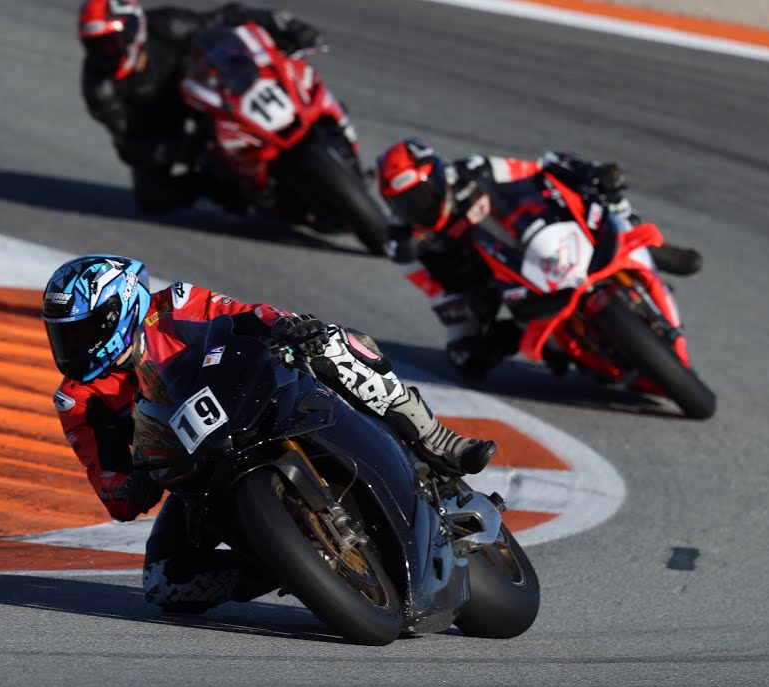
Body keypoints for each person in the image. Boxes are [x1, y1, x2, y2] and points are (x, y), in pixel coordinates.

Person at [42, 254, 495, 613]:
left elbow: (249, 315)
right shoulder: (79, 399)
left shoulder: (174, 304)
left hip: (262, 404)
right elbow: (114, 493)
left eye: (82, 332)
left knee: (333, 342)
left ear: (121, 311)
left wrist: (286, 326)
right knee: (165, 585)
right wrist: (140, 475)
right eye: (62, 336)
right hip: (197, 473)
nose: (72, 348)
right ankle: (288, 564)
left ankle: (432, 437)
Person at [375, 137, 704, 380]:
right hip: (484, 283)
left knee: (585, 178)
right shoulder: (401, 241)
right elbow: (436, 292)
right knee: (466, 359)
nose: (419, 207)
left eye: (422, 195)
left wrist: (588, 174)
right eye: (406, 204)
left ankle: (650, 246)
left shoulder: (471, 170)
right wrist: (466, 305)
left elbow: (537, 171)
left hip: (534, 242)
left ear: (436, 175)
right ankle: (533, 336)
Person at [77, 0, 322, 215]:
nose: (105, 52)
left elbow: (225, 17)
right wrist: (180, 149)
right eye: (96, 45)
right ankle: (233, 192)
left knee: (276, 66)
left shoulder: (167, 25)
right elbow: (129, 144)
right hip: (166, 126)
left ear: (132, 29)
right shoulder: (100, 89)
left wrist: (282, 23)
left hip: (212, 89)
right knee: (152, 196)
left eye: (111, 42)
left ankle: (322, 120)